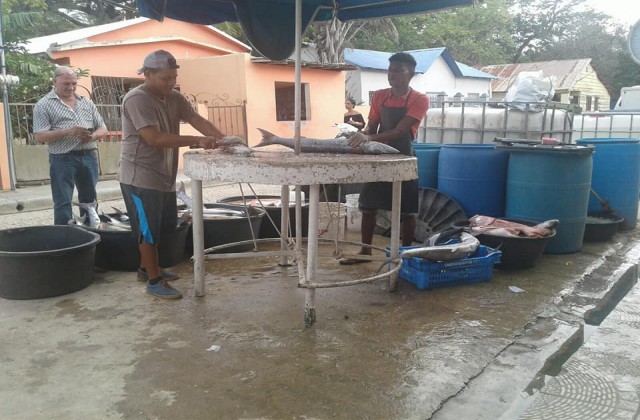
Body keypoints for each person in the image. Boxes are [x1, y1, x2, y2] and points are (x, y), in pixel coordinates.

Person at [118, 49, 223, 299]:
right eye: (165, 78)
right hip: (140, 177)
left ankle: (146, 269)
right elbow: (154, 138)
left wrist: (224, 139)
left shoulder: (173, 97)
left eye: (173, 78)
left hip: (163, 175)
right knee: (147, 230)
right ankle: (154, 281)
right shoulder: (137, 99)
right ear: (148, 74)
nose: (171, 83)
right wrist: (199, 141)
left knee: (162, 227)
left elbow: (195, 118)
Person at [339, 52, 429, 265]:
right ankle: (366, 251)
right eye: (390, 70)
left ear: (411, 73)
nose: (392, 74)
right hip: (379, 155)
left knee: (406, 210)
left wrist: (369, 136)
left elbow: (400, 130)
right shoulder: (380, 96)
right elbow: (372, 125)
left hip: (404, 157)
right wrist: (360, 138)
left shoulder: (419, 99)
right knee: (368, 204)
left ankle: (405, 254)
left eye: (398, 70)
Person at [33, 66, 109, 225]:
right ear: (55, 82)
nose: (71, 87)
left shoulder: (87, 103)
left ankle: (91, 232)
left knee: (90, 200)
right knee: (63, 201)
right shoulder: (44, 105)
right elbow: (40, 136)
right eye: (66, 84)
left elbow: (103, 128)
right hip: (62, 158)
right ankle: (65, 238)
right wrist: (67, 132)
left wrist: (92, 136)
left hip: (89, 156)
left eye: (74, 83)